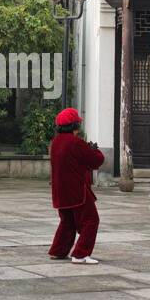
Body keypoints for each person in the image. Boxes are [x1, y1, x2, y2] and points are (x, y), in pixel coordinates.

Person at [48, 107, 105, 264]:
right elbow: (96, 161)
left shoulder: (56, 142)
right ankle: (80, 254)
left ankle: (58, 251)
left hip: (60, 190)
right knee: (91, 221)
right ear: (75, 126)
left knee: (67, 222)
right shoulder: (76, 142)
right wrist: (96, 150)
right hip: (77, 189)